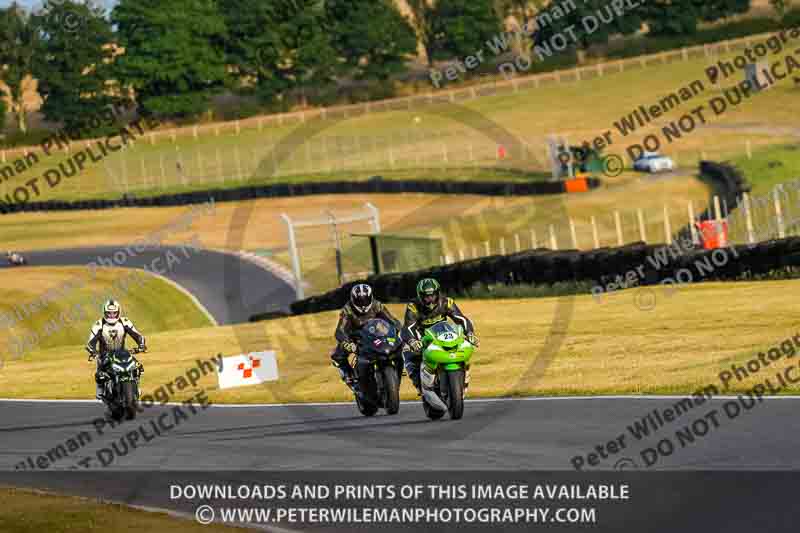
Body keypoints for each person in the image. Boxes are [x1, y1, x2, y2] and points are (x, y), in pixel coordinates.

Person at [401, 278, 478, 394]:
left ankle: (463, 376)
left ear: (438, 294)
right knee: (409, 352)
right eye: (426, 296)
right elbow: (408, 327)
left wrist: (470, 334)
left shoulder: (447, 302)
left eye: (433, 295)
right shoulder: (413, 307)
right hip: (423, 337)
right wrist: (412, 341)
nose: (430, 299)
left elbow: (461, 319)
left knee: (463, 346)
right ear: (420, 296)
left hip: (444, 334)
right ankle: (419, 384)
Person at [332, 283, 402, 386]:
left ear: (371, 298)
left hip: (376, 335)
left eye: (365, 300)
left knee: (399, 348)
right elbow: (339, 331)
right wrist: (347, 342)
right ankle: (348, 373)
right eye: (359, 301)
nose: (363, 304)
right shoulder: (347, 310)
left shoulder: (377, 305)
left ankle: (397, 371)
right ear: (353, 299)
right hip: (356, 336)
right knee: (338, 354)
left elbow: (393, 321)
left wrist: (397, 330)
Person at [86, 300, 147, 399]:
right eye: (109, 313)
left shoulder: (125, 322)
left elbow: (137, 335)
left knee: (138, 366)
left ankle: (136, 386)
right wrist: (93, 352)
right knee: (100, 373)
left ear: (118, 312)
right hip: (105, 355)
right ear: (104, 313)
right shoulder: (99, 325)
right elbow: (90, 343)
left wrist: (141, 345)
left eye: (114, 313)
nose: (111, 315)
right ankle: (100, 388)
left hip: (122, 353)